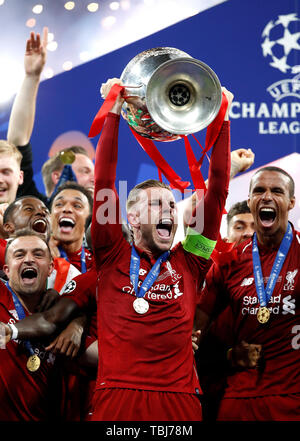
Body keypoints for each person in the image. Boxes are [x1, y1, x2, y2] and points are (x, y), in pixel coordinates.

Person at [0, 77, 233, 421]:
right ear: (133, 217)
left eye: (172, 206)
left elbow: (215, 195)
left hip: (179, 400)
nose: (169, 212)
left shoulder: (193, 261)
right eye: (157, 205)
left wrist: (222, 122)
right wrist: (111, 113)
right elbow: (106, 180)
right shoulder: (111, 255)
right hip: (117, 398)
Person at [196, 165, 300, 421]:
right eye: (258, 191)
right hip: (238, 401)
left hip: (293, 399)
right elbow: (192, 334)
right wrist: (228, 356)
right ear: (251, 200)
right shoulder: (229, 262)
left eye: (276, 191)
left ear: (291, 203)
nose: (266, 197)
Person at [6, 29, 95, 204]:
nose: (94, 179)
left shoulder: (103, 227)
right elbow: (17, 142)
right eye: (85, 171)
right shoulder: (36, 215)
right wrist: (32, 77)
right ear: (57, 176)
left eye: (93, 172)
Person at [195, 200, 256, 421]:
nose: (248, 234)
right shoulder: (206, 276)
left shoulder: (279, 278)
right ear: (226, 235)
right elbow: (191, 343)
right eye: (240, 227)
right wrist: (228, 356)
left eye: (254, 227)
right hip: (213, 395)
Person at [0, 231, 63, 420]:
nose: (29, 260)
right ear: (7, 269)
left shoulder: (63, 312)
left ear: (51, 268)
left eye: (38, 254)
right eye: (19, 255)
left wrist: (78, 320)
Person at [49, 181, 94, 272]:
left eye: (77, 206)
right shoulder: (34, 257)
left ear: (89, 219)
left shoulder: (97, 265)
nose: (67, 209)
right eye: (59, 204)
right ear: (50, 216)